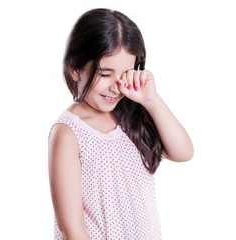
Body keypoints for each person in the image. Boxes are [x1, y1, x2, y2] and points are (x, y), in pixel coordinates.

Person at [48, 8, 194, 240]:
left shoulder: (131, 116)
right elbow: (72, 229)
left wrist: (151, 100)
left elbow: (184, 152)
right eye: (105, 74)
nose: (116, 86)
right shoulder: (68, 133)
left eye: (125, 73)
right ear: (75, 69)